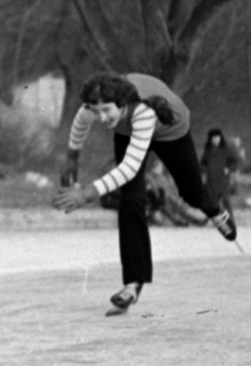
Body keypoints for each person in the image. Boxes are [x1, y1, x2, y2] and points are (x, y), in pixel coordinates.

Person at [53, 72, 238, 313]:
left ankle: (215, 211)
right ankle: (132, 285)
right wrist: (72, 156)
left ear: (122, 103)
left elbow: (129, 168)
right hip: (128, 130)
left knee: (192, 193)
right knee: (131, 200)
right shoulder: (98, 104)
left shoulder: (143, 111)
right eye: (96, 112)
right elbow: (81, 120)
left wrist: (88, 193)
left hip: (171, 129)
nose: (102, 117)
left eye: (107, 111)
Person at [200, 127, 244, 217]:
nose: (216, 140)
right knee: (212, 202)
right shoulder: (208, 149)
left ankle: (230, 220)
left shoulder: (226, 148)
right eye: (214, 138)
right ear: (210, 139)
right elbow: (202, 162)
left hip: (223, 179)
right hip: (211, 180)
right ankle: (215, 219)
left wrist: (229, 168)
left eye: (218, 138)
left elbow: (236, 161)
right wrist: (205, 170)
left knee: (226, 201)